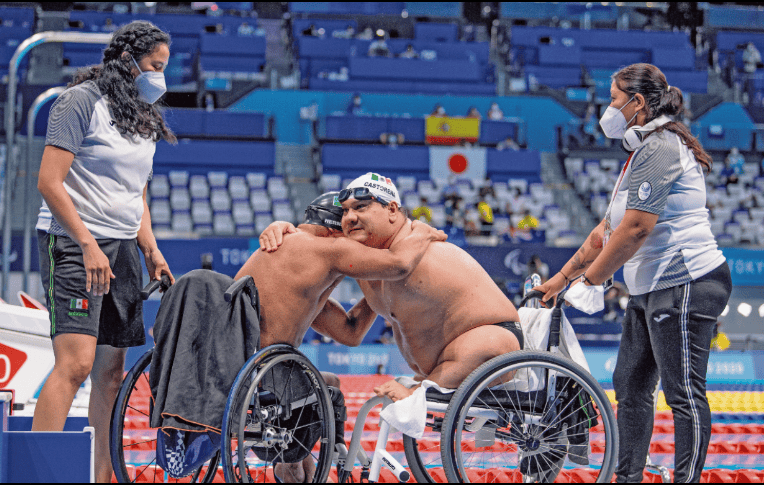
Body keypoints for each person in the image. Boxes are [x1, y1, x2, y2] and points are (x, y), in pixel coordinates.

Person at [534, 63, 732, 483]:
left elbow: (637, 229)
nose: (608, 108)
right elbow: (603, 232)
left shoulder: (660, 147)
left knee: (682, 393)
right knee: (630, 385)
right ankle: (627, 477)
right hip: (652, 287)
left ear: (637, 103)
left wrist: (592, 281)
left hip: (687, 281)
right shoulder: (641, 151)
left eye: (613, 99)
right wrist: (562, 279)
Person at [32, 21, 175, 483]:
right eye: (155, 67)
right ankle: (42, 474)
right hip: (76, 243)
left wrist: (149, 247)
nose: (160, 77)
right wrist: (88, 245)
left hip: (122, 247)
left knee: (111, 373)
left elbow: (136, 192)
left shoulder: (143, 113)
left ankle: (101, 475)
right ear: (127, 60)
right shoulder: (79, 102)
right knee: (75, 364)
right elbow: (49, 183)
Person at [238, 192, 445, 481]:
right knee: (327, 391)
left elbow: (351, 332)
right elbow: (399, 263)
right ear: (335, 230)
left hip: (242, 372)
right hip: (269, 376)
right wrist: (421, 232)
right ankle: (292, 467)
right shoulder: (328, 249)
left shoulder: (286, 260)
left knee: (329, 382)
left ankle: (294, 466)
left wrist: (376, 289)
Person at [261, 173, 523, 400]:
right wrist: (284, 228)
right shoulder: (373, 264)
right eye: (345, 212)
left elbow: (399, 265)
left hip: (495, 347)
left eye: (361, 207)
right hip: (436, 374)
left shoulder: (411, 252)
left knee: (490, 342)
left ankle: (426, 389)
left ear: (392, 210)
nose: (350, 217)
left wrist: (419, 232)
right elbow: (352, 331)